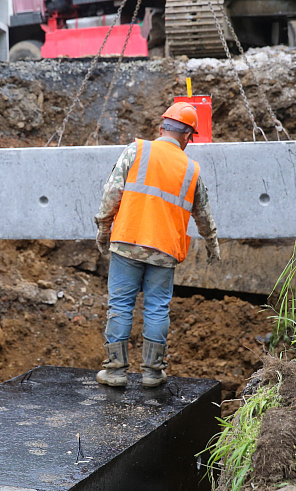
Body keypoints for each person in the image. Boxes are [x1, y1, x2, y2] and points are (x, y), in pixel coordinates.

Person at [94, 102, 221, 388]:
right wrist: (213, 245)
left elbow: (111, 194)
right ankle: (152, 373)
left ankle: (115, 371)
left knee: (120, 304)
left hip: (128, 241)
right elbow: (203, 215)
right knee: (156, 308)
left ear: (161, 128)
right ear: (188, 137)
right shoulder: (191, 169)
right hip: (164, 249)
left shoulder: (136, 150)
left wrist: (104, 229)